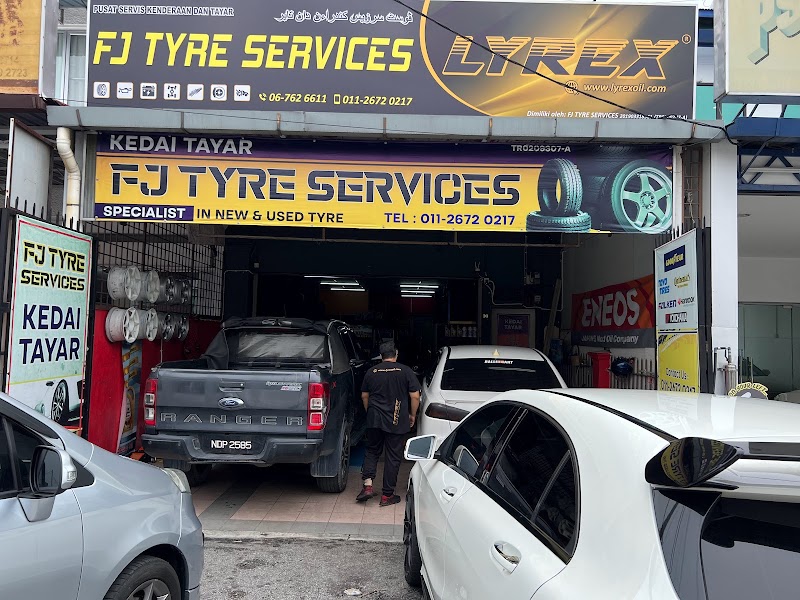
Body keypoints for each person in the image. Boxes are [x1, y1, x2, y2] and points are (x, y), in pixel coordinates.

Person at [357, 340, 421, 506]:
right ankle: (387, 496)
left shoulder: (371, 371)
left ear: (381, 355)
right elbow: (415, 396)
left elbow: (365, 396)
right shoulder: (405, 371)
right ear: (396, 354)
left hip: (374, 418)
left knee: (372, 450)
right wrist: (412, 415)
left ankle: (368, 486)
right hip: (396, 419)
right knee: (393, 456)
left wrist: (369, 411)